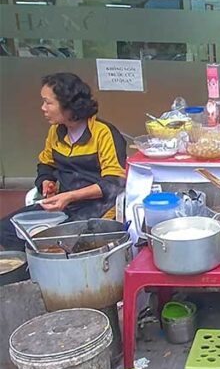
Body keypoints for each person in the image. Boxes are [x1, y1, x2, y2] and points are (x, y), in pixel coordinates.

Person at [0, 73, 127, 250]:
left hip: (97, 208)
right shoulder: (56, 132)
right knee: (6, 230)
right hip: (63, 205)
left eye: (48, 102)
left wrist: (69, 196)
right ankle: (34, 270)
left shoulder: (103, 133)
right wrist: (47, 182)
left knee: (69, 243)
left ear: (69, 106)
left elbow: (114, 183)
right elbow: (46, 164)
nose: (43, 108)